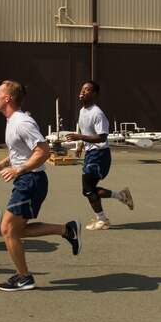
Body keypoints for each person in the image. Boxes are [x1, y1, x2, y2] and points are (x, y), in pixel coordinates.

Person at [0, 80, 82, 291]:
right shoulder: (12, 121)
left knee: (7, 229)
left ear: (8, 98)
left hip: (31, 181)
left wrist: (19, 169)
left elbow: (44, 151)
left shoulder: (22, 122)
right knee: (16, 230)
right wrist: (4, 163)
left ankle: (24, 277)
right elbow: (22, 151)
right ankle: (67, 230)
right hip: (27, 179)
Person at [65, 80, 133, 230]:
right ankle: (121, 196)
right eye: (82, 88)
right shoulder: (83, 111)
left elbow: (102, 137)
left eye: (87, 90)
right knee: (88, 190)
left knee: (88, 189)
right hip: (91, 153)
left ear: (94, 94)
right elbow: (87, 133)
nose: (83, 91)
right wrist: (80, 145)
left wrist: (80, 138)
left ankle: (103, 220)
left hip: (100, 154)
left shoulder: (97, 113)